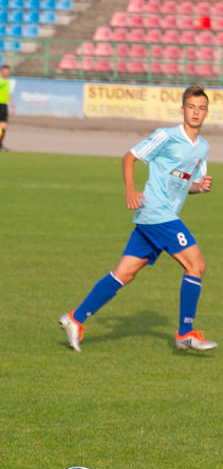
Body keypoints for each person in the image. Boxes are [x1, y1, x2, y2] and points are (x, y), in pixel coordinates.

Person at [60, 84, 216, 353]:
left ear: (206, 113)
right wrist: (131, 190)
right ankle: (185, 333)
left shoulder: (202, 148)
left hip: (154, 218)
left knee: (124, 273)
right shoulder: (166, 136)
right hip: (157, 212)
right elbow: (130, 157)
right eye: (191, 107)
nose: (196, 112)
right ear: (182, 110)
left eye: (201, 108)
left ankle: (75, 318)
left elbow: (182, 181)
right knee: (196, 265)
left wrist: (198, 187)